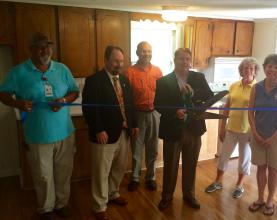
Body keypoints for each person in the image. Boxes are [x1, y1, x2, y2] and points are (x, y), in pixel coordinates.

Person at [0, 33, 79, 220]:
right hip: (37, 136)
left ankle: (62, 204)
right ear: (31, 49)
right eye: (40, 47)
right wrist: (19, 104)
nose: (45, 50)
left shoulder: (62, 69)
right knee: (43, 176)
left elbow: (74, 91)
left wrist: (64, 100)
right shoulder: (18, 72)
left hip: (65, 132)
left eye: (48, 46)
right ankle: (46, 209)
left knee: (63, 172)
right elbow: (3, 94)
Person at [82, 46, 139, 220]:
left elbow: (130, 104)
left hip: (124, 132)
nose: (119, 64)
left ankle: (113, 193)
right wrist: (98, 129)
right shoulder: (94, 81)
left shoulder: (123, 79)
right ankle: (99, 206)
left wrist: (134, 124)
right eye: (115, 61)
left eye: (121, 61)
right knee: (101, 171)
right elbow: (89, 109)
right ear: (106, 60)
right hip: (104, 135)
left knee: (119, 167)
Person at [154, 48, 213, 210]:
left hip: (194, 129)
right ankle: (166, 196)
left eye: (188, 59)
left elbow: (209, 95)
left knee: (191, 164)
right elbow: (158, 104)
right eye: (181, 59)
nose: (185, 62)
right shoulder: (163, 81)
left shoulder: (198, 77)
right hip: (173, 130)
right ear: (175, 60)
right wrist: (174, 112)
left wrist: (193, 93)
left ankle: (189, 195)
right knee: (170, 166)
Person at [204, 57, 259, 198]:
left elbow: (259, 113)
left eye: (251, 68)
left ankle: (239, 185)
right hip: (231, 128)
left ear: (255, 71)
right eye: (245, 68)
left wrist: (255, 133)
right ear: (241, 71)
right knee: (223, 157)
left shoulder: (258, 88)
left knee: (244, 159)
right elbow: (227, 107)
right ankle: (218, 181)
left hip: (247, 131)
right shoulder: (234, 86)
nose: (248, 71)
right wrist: (222, 127)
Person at [248, 54, 277, 216]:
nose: (272, 69)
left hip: (276, 137)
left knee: (273, 170)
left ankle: (270, 200)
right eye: (269, 66)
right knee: (261, 168)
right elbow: (250, 112)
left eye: (276, 67)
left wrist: (274, 137)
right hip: (258, 135)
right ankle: (260, 198)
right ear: (265, 68)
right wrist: (255, 133)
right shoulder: (256, 88)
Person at [125, 41, 163, 192]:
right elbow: (127, 99)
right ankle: (135, 178)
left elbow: (162, 94)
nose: (146, 54)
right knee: (136, 149)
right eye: (143, 51)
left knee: (153, 148)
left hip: (154, 114)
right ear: (137, 53)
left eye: (149, 51)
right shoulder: (129, 72)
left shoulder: (157, 71)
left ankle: (150, 177)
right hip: (137, 115)